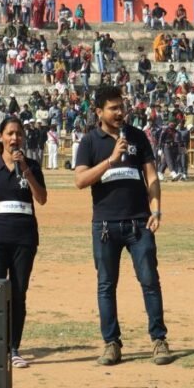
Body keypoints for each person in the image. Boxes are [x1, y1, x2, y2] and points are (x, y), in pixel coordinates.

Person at [74, 87, 172, 366]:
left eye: (121, 107)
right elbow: (80, 181)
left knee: (150, 281)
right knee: (106, 286)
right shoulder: (90, 141)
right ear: (98, 112)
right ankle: (111, 344)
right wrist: (110, 161)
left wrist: (157, 210)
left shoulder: (137, 136)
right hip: (105, 226)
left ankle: (159, 340)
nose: (119, 113)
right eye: (113, 108)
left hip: (139, 224)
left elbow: (151, 176)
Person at [0, 117, 47, 369]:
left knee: (18, 293)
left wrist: (25, 169)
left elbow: (42, 198)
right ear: (1, 137)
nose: (14, 138)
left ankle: (13, 346)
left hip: (24, 238)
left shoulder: (32, 166)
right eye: (10, 133)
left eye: (18, 134)